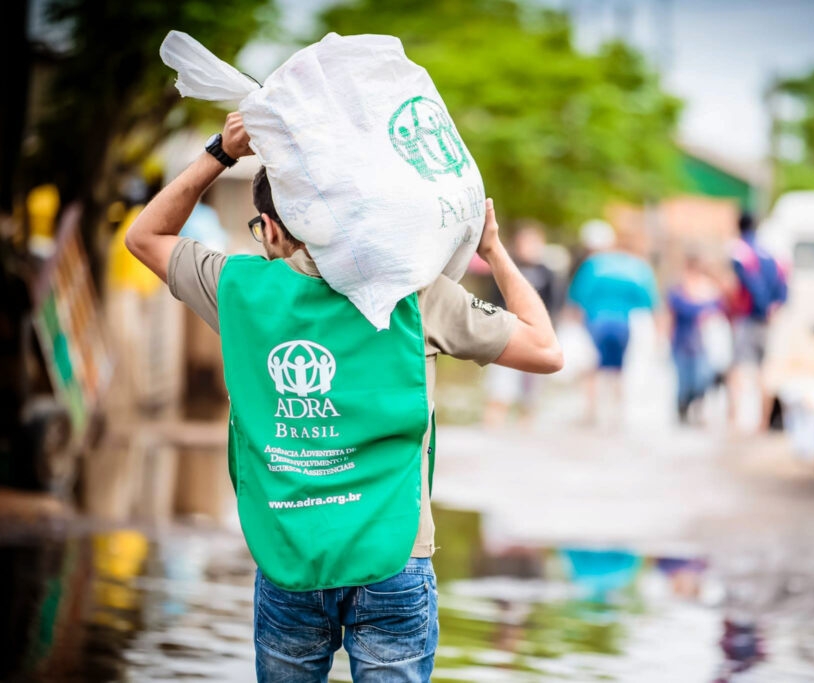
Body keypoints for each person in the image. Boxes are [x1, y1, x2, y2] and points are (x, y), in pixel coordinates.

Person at [125, 112, 562, 682]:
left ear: (272, 226)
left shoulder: (238, 289)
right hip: (395, 561)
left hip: (287, 560)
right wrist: (495, 249)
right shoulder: (417, 295)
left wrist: (221, 152)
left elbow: (144, 237)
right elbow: (546, 350)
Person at [566, 220, 659, 425]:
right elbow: (650, 304)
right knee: (620, 368)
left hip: (595, 322)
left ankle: (591, 412)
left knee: (591, 366)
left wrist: (573, 327)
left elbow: (576, 298)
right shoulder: (639, 267)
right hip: (624, 325)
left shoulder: (595, 263)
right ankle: (617, 414)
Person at [483, 224, 561, 426]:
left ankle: (526, 423)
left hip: (534, 336)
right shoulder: (507, 266)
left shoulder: (547, 272)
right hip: (506, 333)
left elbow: (553, 304)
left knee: (531, 388)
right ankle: (494, 423)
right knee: (500, 385)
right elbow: (492, 300)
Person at [724, 211, 787, 429]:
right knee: (764, 370)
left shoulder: (740, 252)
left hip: (748, 317)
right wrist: (773, 306)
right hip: (769, 320)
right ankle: (762, 422)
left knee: (738, 368)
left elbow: (750, 283)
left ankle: (733, 420)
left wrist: (761, 306)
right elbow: (784, 287)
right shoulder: (771, 255)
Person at [666, 252, 721, 422]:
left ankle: (697, 409)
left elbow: (717, 306)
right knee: (684, 380)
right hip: (681, 341)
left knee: (701, 378)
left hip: (701, 342)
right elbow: (680, 309)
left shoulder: (707, 288)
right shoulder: (677, 289)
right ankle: (683, 409)